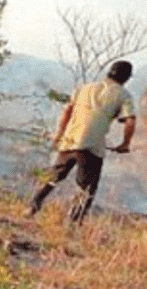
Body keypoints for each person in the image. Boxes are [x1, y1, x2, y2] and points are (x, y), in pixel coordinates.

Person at [27, 60, 137, 222]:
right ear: (126, 78)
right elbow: (130, 121)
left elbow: (67, 111)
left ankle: (32, 206)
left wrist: (59, 134)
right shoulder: (123, 95)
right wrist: (125, 144)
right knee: (86, 189)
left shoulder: (84, 88)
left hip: (70, 141)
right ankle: (73, 224)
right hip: (92, 148)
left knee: (53, 177)